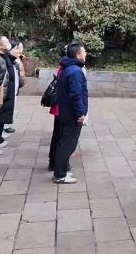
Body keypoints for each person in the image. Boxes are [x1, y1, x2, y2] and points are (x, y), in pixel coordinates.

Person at [53, 40, 88, 184]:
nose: (86, 54)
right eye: (84, 51)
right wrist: (80, 113)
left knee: (65, 142)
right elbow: (75, 95)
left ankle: (61, 170)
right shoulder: (75, 72)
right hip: (71, 114)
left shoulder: (69, 68)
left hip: (66, 112)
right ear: (78, 55)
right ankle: (60, 174)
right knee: (68, 144)